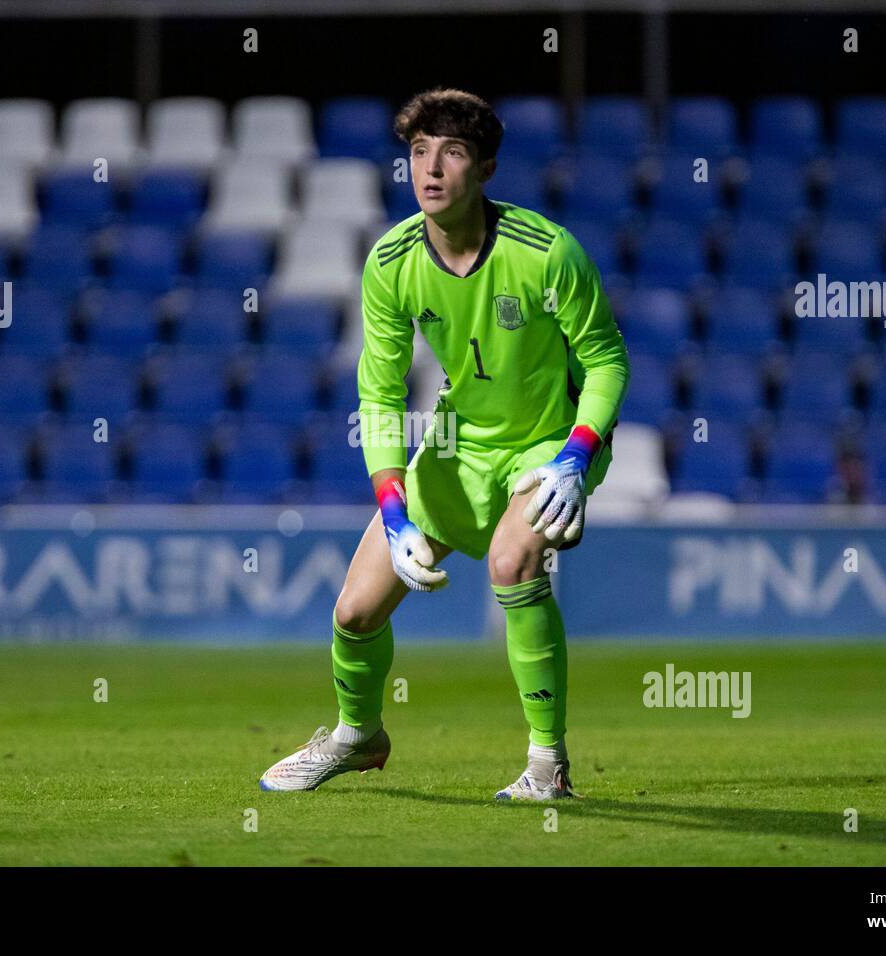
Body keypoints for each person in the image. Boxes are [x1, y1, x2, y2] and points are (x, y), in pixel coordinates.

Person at [259, 87, 630, 799]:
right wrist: (394, 511)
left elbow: (608, 360)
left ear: (486, 169)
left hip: (551, 441)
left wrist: (578, 457)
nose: (430, 169)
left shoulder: (548, 253)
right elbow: (380, 393)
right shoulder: (391, 262)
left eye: (452, 153)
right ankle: (357, 735)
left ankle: (547, 767)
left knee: (513, 560)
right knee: (354, 612)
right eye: (418, 152)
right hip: (461, 444)